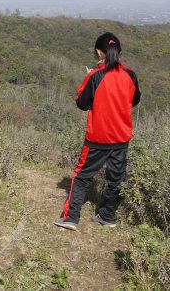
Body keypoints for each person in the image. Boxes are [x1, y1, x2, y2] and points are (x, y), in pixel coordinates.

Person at [54, 32, 140, 231]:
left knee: (83, 176)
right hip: (121, 136)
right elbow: (135, 100)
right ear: (119, 52)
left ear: (98, 52)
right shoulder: (131, 74)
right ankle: (107, 216)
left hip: (98, 137)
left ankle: (71, 217)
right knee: (116, 179)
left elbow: (81, 103)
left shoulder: (95, 76)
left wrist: (88, 78)